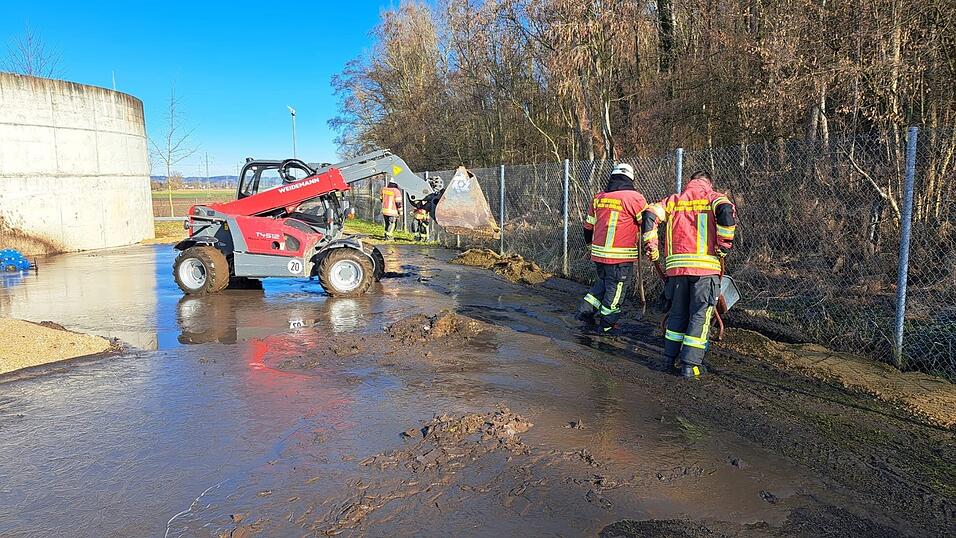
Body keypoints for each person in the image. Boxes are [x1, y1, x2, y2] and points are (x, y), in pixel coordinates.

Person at [642, 170, 736, 379]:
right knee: (700, 315)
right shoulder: (714, 198)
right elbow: (726, 211)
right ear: (708, 183)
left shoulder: (673, 201)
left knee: (677, 313)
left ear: (689, 183)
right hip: (705, 269)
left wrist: (652, 246)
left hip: (676, 270)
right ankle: (690, 366)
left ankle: (669, 359)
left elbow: (649, 214)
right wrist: (724, 245)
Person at [577, 163, 648, 334]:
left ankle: (586, 311)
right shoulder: (635, 198)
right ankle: (607, 326)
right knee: (616, 291)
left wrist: (589, 246)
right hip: (620, 257)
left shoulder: (599, 198)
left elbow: (588, 227)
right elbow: (647, 224)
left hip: (599, 255)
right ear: (631, 178)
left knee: (603, 284)